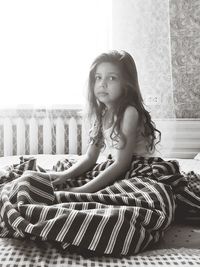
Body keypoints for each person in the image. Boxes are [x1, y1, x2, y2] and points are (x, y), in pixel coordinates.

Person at [52, 50, 161, 193]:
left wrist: (83, 190)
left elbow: (122, 164)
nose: (102, 84)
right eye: (98, 77)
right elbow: (91, 157)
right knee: (64, 171)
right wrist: (64, 175)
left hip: (137, 168)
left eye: (112, 78)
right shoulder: (102, 112)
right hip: (117, 165)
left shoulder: (129, 112)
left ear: (126, 84)